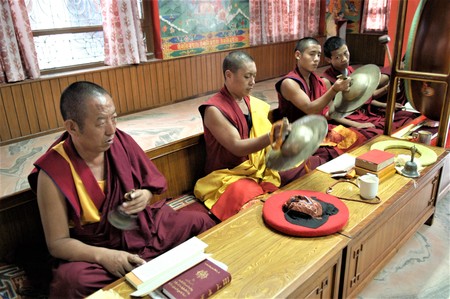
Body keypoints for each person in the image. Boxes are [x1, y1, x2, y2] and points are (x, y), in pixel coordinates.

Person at [27, 81, 216, 298]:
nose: (111, 129)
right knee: (72, 283)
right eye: (100, 123)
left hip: (143, 231)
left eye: (114, 118)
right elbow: (58, 243)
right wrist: (105, 257)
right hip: (94, 248)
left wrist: (143, 196)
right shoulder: (53, 172)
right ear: (72, 127)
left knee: (199, 221)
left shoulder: (120, 142)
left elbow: (150, 186)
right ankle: (153, 271)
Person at [194, 51, 326, 222]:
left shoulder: (252, 103)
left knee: (303, 164)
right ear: (229, 75)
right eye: (247, 76)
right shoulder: (214, 109)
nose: (253, 82)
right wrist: (271, 136)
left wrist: (287, 141)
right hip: (229, 174)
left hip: (260, 164)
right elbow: (236, 146)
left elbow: (269, 142)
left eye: (254, 76)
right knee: (251, 198)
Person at [274, 37, 365, 159]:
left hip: (318, 130)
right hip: (296, 136)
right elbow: (310, 109)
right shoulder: (289, 83)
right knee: (325, 157)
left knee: (359, 138)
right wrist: (334, 90)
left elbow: (326, 112)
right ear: (298, 55)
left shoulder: (316, 81)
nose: (316, 59)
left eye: (318, 55)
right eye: (312, 54)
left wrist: (355, 123)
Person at [320, 36, 414, 134]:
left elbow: (364, 98)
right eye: (338, 57)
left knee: (405, 117)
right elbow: (330, 113)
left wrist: (386, 96)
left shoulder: (350, 71)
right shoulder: (326, 80)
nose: (344, 59)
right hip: (348, 118)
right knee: (377, 132)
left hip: (362, 113)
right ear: (328, 60)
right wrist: (358, 125)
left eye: (345, 53)